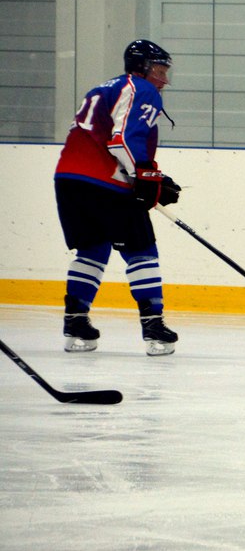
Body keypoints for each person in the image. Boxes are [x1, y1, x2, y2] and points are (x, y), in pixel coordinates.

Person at [54, 39, 182, 356]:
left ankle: (76, 323)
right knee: (141, 250)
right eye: (159, 70)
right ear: (141, 68)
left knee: (92, 249)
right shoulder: (141, 88)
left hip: (68, 180)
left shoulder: (103, 88)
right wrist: (146, 176)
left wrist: (150, 175)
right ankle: (153, 326)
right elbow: (123, 139)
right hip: (104, 184)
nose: (163, 79)